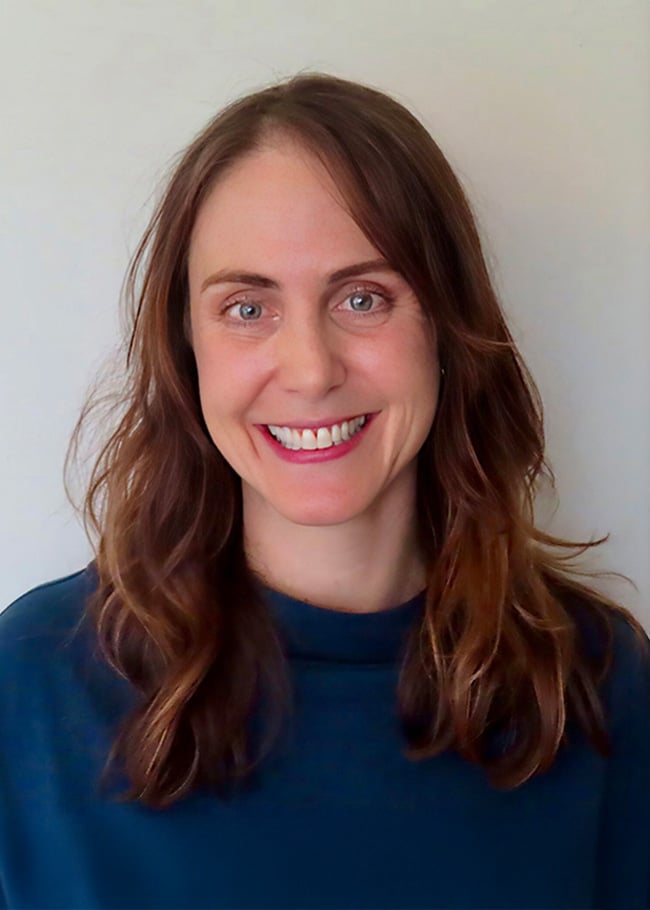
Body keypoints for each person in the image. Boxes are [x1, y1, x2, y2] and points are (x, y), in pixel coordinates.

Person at [0, 72, 648, 910]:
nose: (310, 370)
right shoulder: (33, 684)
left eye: (363, 297)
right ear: (185, 347)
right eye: (246, 308)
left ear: (447, 328)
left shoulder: (596, 682)